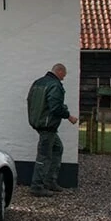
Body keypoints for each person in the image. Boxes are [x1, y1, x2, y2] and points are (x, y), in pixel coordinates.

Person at [26, 63, 78, 197]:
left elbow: (30, 101)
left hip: (39, 123)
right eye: (63, 75)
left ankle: (50, 181)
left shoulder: (38, 82)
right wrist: (68, 115)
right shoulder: (55, 85)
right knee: (44, 155)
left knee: (57, 148)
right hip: (47, 125)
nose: (63, 79)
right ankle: (37, 186)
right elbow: (55, 107)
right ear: (59, 71)